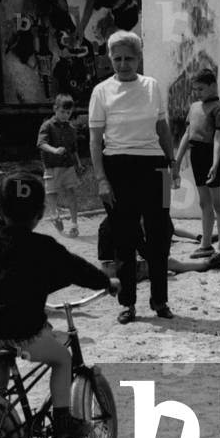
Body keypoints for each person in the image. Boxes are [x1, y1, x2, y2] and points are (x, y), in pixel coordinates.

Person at [0, 172, 113, 438]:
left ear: (1, 210)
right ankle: (63, 422)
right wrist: (107, 282)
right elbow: (77, 269)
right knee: (62, 359)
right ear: (41, 213)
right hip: (22, 331)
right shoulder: (44, 246)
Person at [89, 30, 178, 324]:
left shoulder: (152, 86)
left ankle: (160, 301)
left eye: (129, 58)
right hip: (118, 168)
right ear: (110, 60)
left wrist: (173, 161)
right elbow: (94, 140)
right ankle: (127, 304)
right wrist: (102, 179)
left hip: (156, 168)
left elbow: (163, 129)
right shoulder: (101, 91)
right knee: (124, 240)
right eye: (117, 59)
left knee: (161, 235)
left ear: (139, 58)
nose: (123, 64)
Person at [172, 68, 220, 259]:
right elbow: (187, 135)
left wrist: (215, 163)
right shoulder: (195, 107)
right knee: (204, 202)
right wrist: (177, 160)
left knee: (218, 203)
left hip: (212, 156)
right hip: (197, 155)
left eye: (201, 89)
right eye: (195, 89)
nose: (198, 93)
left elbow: (218, 137)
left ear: (213, 86)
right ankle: (206, 244)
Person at [97, 214, 220, 281]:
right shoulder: (131, 220)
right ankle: (206, 264)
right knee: (167, 262)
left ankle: (199, 239)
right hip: (117, 269)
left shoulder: (112, 218)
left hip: (109, 267)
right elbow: (143, 251)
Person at [37, 93, 83, 237]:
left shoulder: (71, 128)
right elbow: (41, 143)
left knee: (72, 193)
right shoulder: (47, 126)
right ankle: (54, 215)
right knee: (51, 193)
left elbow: (74, 149)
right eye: (62, 112)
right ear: (55, 109)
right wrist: (54, 150)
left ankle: (74, 224)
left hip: (68, 166)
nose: (65, 115)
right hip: (52, 166)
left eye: (68, 113)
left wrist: (79, 164)